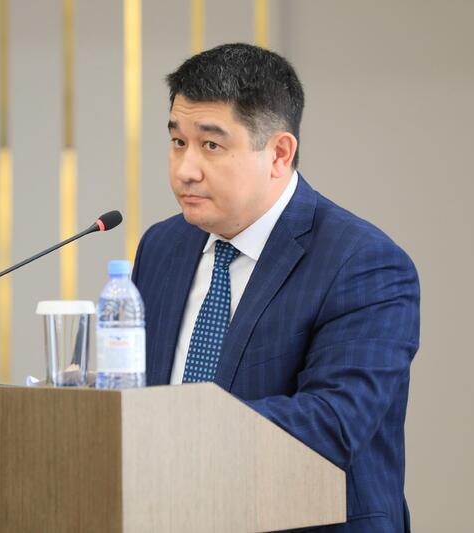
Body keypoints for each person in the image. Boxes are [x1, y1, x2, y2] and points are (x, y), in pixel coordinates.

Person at [131, 43, 420, 533]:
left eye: (211, 145)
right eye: (178, 142)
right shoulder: (162, 246)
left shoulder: (364, 263)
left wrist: (175, 428)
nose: (185, 169)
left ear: (279, 154)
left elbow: (333, 421)